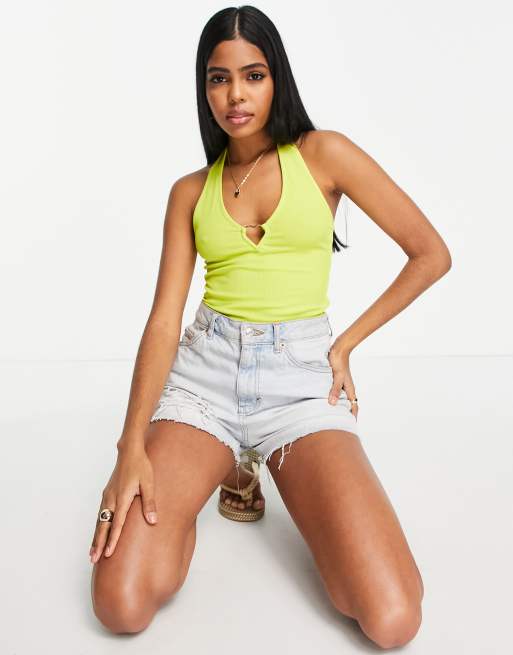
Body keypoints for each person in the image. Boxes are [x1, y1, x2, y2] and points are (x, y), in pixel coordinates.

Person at [89, 5, 451, 647]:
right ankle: (219, 471)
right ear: (204, 89)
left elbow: (431, 254)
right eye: (219, 78)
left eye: (252, 75)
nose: (236, 95)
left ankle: (261, 465)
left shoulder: (324, 153)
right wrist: (131, 449)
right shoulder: (189, 191)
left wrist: (345, 344)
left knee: (393, 619)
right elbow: (165, 320)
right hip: (204, 382)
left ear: (276, 78)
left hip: (302, 383)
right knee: (121, 606)